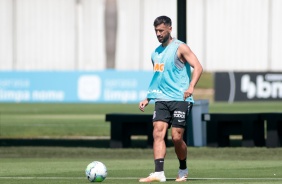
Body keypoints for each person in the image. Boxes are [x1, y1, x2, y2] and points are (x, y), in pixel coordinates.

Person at [138, 15, 203, 182]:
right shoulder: (155, 53)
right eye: (156, 31)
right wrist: (149, 97)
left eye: (161, 30)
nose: (158, 34)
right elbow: (157, 78)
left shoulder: (180, 47)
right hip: (161, 99)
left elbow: (198, 67)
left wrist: (191, 87)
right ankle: (159, 172)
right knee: (158, 132)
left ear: (169, 29)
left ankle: (183, 168)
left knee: (176, 137)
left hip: (180, 99)